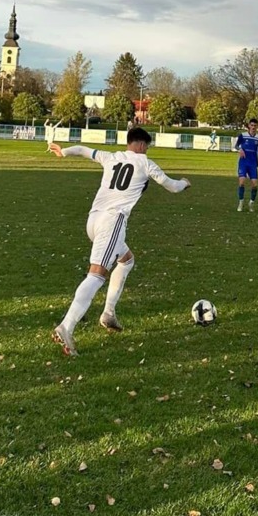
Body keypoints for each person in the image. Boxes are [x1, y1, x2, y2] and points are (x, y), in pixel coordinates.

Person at [48, 127, 191, 356]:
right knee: (96, 275)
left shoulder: (111, 156)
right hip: (113, 222)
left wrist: (63, 152)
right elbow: (172, 186)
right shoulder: (145, 163)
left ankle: (108, 314)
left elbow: (84, 150)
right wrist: (184, 182)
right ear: (143, 145)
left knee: (126, 260)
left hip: (93, 221)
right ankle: (66, 326)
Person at [234, 118, 258, 211]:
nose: (253, 127)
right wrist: (240, 149)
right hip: (243, 162)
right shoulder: (243, 136)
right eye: (251, 125)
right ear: (249, 126)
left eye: (255, 126)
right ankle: (240, 203)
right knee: (242, 182)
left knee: (255, 185)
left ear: (257, 127)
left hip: (253, 163)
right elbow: (236, 145)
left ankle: (251, 203)